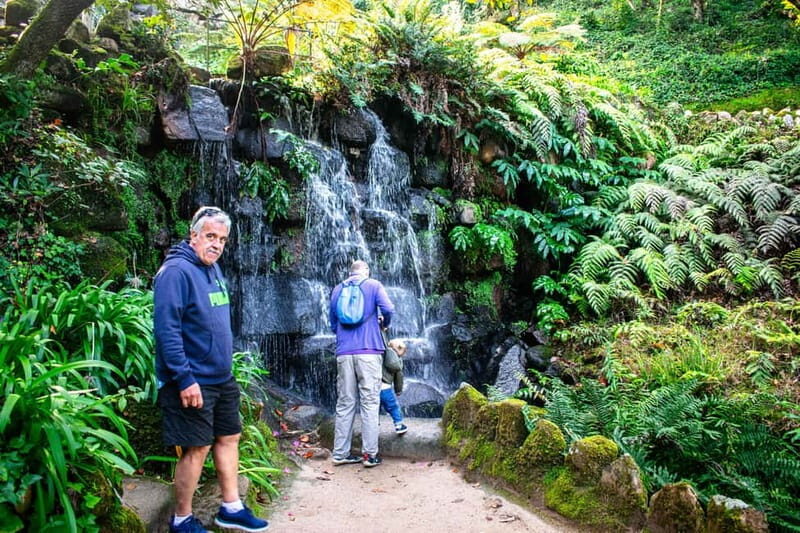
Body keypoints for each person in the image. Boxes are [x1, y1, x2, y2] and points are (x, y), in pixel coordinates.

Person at [154, 206, 269, 533]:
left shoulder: (213, 268)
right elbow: (167, 330)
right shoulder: (175, 272)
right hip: (192, 380)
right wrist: (184, 379)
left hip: (221, 378)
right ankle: (182, 519)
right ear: (194, 235)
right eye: (210, 236)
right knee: (197, 447)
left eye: (222, 239)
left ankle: (231, 507)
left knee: (229, 437)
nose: (216, 244)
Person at [329, 260, 395, 467]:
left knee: (345, 402)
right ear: (366, 271)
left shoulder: (337, 289)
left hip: (344, 352)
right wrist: (384, 324)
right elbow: (388, 308)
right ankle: (369, 455)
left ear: (350, 273)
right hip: (369, 351)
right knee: (369, 402)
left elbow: (332, 321)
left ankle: (340, 453)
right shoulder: (373, 285)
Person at [381, 337, 408, 434]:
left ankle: (372, 424)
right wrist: (398, 390)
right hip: (385, 388)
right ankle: (399, 425)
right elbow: (399, 378)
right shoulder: (397, 362)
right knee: (393, 407)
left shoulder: (381, 353)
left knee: (373, 407)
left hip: (373, 386)